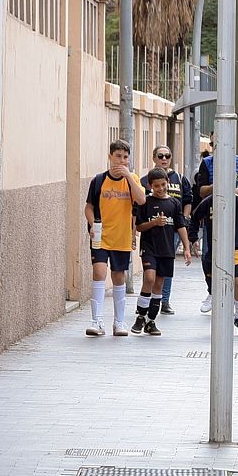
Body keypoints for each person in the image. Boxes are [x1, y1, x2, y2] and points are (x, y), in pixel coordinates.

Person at [192, 142, 238, 335]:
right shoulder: (207, 166)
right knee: (209, 265)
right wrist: (194, 238)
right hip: (213, 242)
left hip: (234, 245)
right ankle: (212, 293)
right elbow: (195, 214)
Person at [84, 139, 146, 337]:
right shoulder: (99, 180)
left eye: (125, 157)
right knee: (99, 272)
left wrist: (128, 176)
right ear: (110, 156)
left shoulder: (133, 179)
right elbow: (89, 207)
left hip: (121, 236)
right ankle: (97, 321)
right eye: (118, 156)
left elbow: (141, 199)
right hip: (101, 235)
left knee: (118, 277)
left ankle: (119, 322)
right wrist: (92, 223)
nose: (121, 160)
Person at [133, 168, 191, 336]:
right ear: (150, 186)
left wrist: (186, 248)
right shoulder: (146, 202)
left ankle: (151, 321)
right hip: (150, 246)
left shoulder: (174, 203)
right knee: (149, 278)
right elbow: (139, 226)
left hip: (167, 249)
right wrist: (154, 223)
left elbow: (180, 226)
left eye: (163, 185)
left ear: (167, 183)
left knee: (159, 283)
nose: (160, 188)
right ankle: (140, 316)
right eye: (156, 186)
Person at [149, 145, 189, 315]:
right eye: (160, 156)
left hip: (173, 228)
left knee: (166, 264)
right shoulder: (147, 179)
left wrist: (185, 218)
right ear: (154, 158)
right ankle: (151, 298)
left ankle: (164, 300)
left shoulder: (179, 178)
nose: (164, 159)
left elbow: (188, 199)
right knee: (151, 268)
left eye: (167, 156)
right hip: (152, 230)